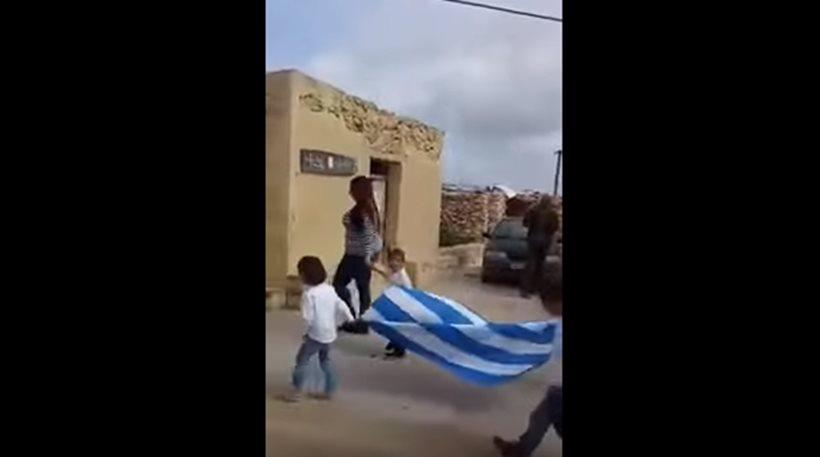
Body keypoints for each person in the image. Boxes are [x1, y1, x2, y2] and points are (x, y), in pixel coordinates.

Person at [493, 275, 563, 456]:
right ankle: (520, 450)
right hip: (558, 388)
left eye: (546, 303)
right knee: (540, 417)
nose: (544, 308)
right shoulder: (558, 323)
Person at [282, 256, 355, 403]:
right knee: (325, 361)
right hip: (330, 333)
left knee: (301, 361)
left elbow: (307, 318)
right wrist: (350, 318)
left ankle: (296, 392)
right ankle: (330, 390)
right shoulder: (329, 289)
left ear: (303, 275)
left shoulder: (309, 295)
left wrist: (305, 333)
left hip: (315, 334)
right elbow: (341, 304)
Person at [333, 176, 383, 334]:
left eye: (352, 189)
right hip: (354, 255)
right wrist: (373, 254)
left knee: (341, 286)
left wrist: (368, 256)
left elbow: (369, 236)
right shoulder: (369, 210)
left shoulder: (362, 212)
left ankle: (354, 319)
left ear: (358, 191)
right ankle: (360, 322)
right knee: (362, 290)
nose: (350, 192)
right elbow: (374, 236)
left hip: (356, 257)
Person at [371, 247, 413, 358]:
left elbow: (409, 293)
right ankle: (394, 342)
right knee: (389, 324)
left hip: (402, 306)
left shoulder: (402, 277)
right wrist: (372, 265)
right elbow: (384, 271)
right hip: (394, 304)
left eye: (398, 261)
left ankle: (399, 349)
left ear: (403, 264)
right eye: (392, 260)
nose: (394, 263)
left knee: (398, 328)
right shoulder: (393, 272)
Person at [520, 195, 560, 298]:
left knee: (530, 264)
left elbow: (525, 223)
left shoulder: (533, 210)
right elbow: (555, 227)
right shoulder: (552, 213)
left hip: (533, 238)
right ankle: (535, 289)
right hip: (545, 239)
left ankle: (525, 290)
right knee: (540, 265)